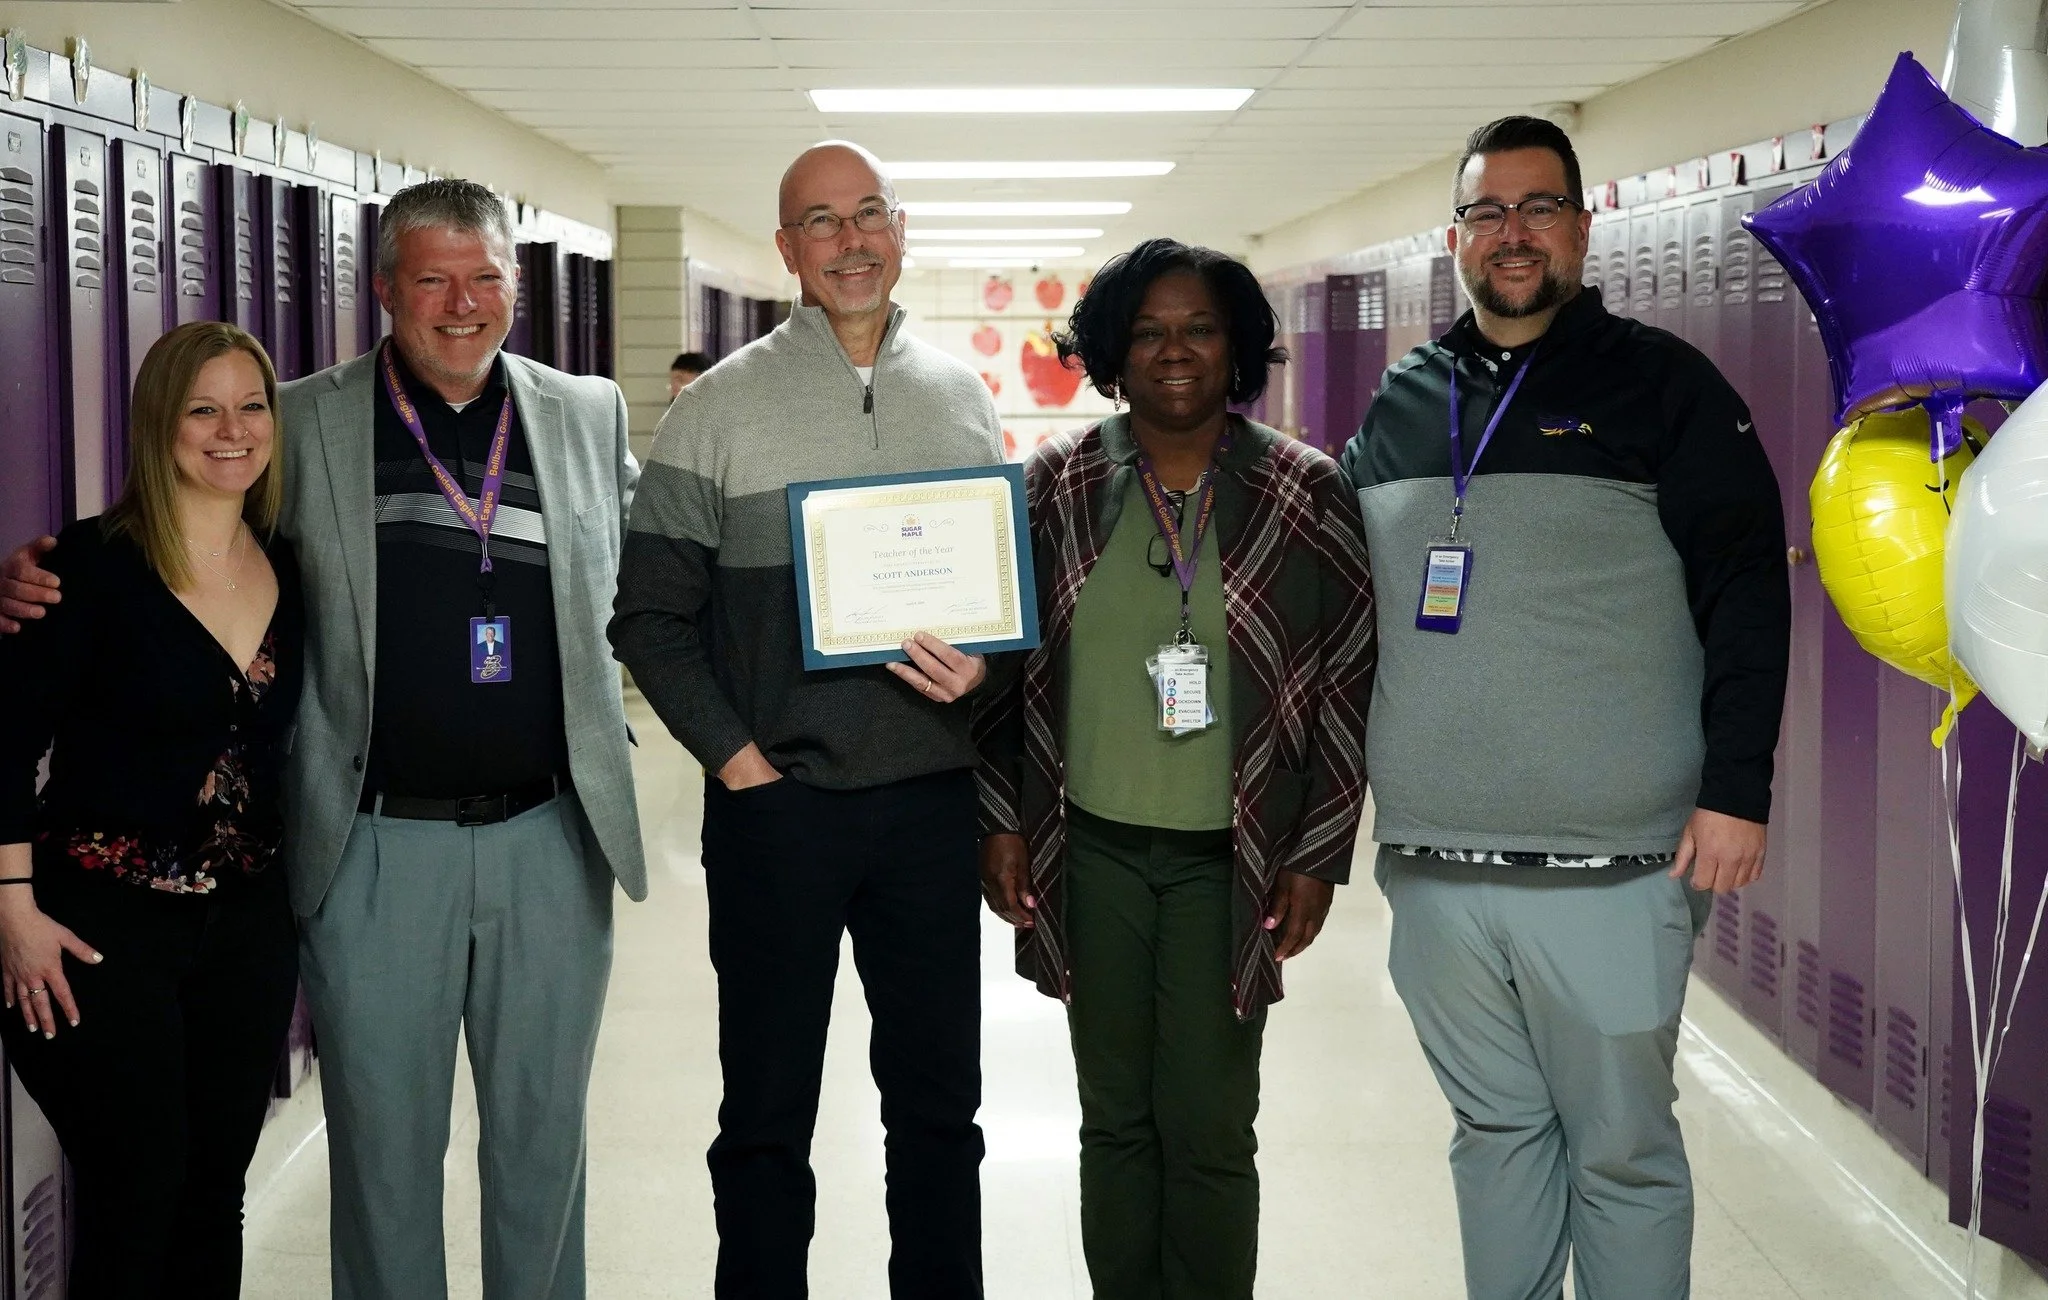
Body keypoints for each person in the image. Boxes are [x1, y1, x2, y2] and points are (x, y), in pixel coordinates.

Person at [4, 178, 645, 1299]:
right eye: (433, 278)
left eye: (486, 276)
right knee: (386, 1158)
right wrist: (36, 577)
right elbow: (169, 545)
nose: (462, 303)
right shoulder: (294, 417)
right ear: (385, 289)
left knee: (544, 1147)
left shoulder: (587, 414)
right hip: (374, 847)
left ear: (517, 287)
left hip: (553, 834)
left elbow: (661, 576)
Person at [1338, 115, 1790, 1300]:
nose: (1513, 234)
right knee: (1491, 1137)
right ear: (1454, 238)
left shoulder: (1662, 386)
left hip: (1613, 860)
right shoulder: (1398, 405)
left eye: (1539, 208)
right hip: (1433, 864)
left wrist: (1734, 790)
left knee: (1622, 1152)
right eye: (1488, 212)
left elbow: (1746, 588)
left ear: (1582, 227)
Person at [609, 140, 999, 1299]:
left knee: (939, 1111)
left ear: (900, 226)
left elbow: (996, 601)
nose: (849, 241)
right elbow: (648, 618)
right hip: (779, 813)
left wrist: (981, 672)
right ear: (785, 251)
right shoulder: (717, 410)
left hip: (930, 807)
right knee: (767, 1114)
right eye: (819, 223)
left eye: (867, 213)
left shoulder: (961, 398)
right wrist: (737, 766)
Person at [975, 238, 1376, 1300]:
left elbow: (1344, 680)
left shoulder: (1302, 490)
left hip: (1229, 860)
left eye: (1198, 327)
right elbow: (1003, 677)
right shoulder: (1058, 485)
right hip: (1090, 850)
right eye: (1146, 330)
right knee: (1113, 1120)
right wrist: (1000, 820)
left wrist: (1318, 854)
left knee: (1205, 1125)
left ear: (1236, 345)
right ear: (1110, 350)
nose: (1173, 350)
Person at [0, 321, 304, 1296]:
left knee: (214, 1194)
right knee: (138, 1197)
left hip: (247, 929)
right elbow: (2, 743)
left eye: (251, 405)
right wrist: (11, 912)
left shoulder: (289, 567)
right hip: (97, 931)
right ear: (158, 424)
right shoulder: (83, 569)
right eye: (202, 408)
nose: (232, 429)